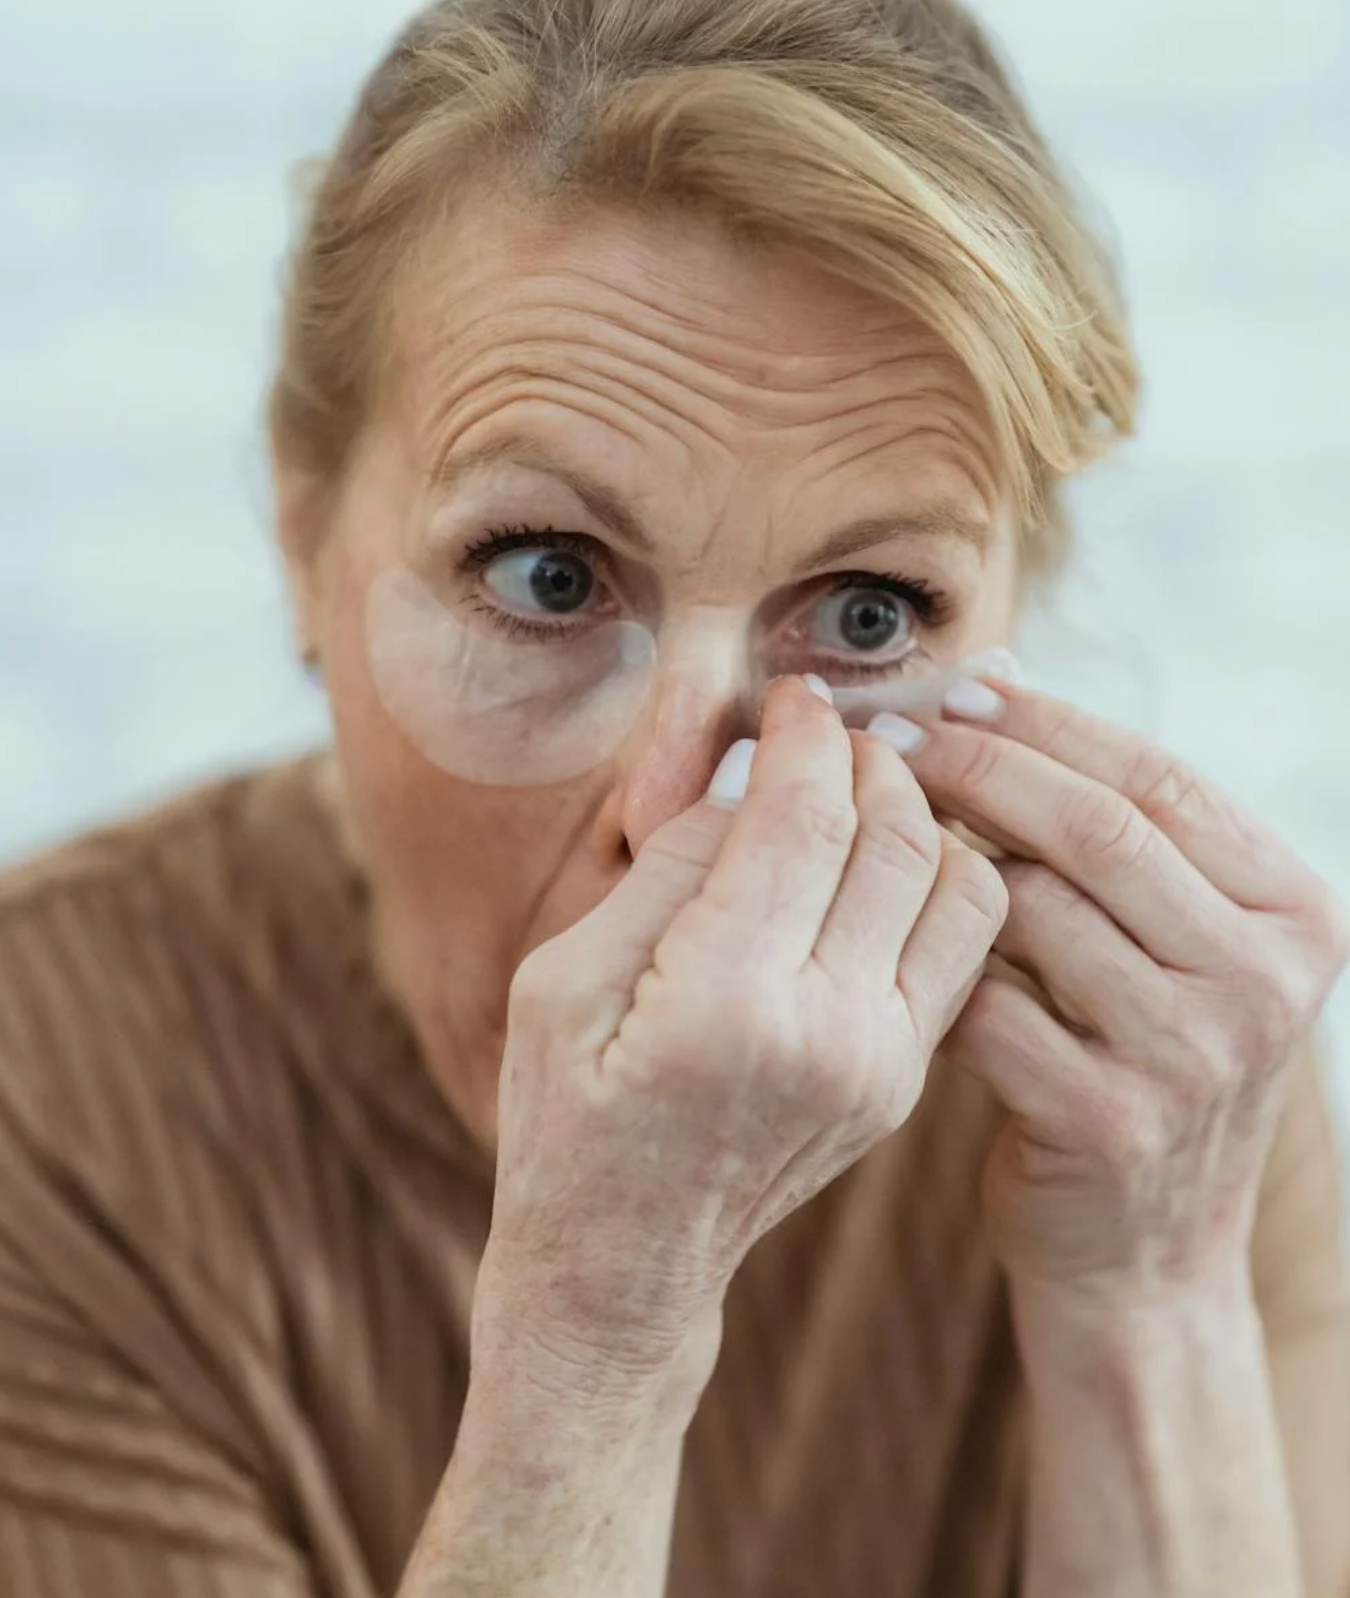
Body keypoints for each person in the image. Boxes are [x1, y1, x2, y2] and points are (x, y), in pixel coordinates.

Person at [1, 1, 1347, 1594]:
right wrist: (600, 1335)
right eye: (545, 574)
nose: (673, 810)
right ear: (305, 545)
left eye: (864, 616)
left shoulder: (1133, 1092)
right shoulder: (48, 1088)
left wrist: (1147, 1291)